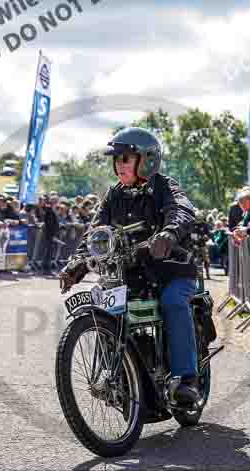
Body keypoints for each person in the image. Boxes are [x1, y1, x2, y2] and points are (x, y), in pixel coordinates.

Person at [58, 127, 202, 408]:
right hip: (131, 273)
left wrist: (169, 234)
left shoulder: (165, 187)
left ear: (146, 160)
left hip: (171, 271)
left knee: (172, 302)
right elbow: (95, 234)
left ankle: (188, 380)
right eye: (117, 159)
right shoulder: (114, 196)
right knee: (102, 299)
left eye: (126, 158)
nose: (119, 165)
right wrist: (75, 266)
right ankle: (119, 375)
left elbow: (182, 210)